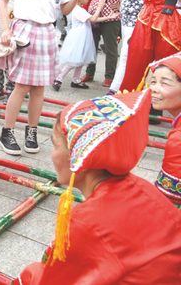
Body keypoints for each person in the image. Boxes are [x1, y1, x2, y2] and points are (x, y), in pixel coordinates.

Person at [12, 90, 181, 284]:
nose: (52, 154)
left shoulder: (87, 221)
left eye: (55, 145)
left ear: (80, 158)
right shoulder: (144, 189)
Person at [0, 0, 84, 155]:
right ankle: (7, 132)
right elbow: (4, 1)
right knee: (22, 85)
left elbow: (64, 9)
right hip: (25, 30)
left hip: (48, 32)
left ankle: (31, 130)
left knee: (39, 88)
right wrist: (6, 29)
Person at [121, 0, 181, 92]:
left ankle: (160, 100)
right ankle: (132, 99)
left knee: (168, 65)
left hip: (174, 20)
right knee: (137, 60)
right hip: (148, 16)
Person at [80, 0, 130, 87]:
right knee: (91, 45)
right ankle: (89, 73)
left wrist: (121, 5)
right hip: (93, 14)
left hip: (111, 17)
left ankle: (109, 76)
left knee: (110, 48)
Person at [53, 0, 118, 90]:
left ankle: (76, 80)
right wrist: (99, 8)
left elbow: (93, 19)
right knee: (74, 62)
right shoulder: (78, 10)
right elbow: (93, 18)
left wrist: (109, 17)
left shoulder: (80, 10)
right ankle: (59, 79)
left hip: (83, 38)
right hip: (79, 39)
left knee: (80, 60)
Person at [107, 0, 146, 94]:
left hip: (136, 25)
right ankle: (116, 89)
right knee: (124, 57)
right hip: (126, 24)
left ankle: (115, 90)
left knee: (125, 58)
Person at [147, 53, 181, 208]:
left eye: (165, 84)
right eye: (153, 81)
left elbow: (168, 205)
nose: (154, 89)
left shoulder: (178, 140)